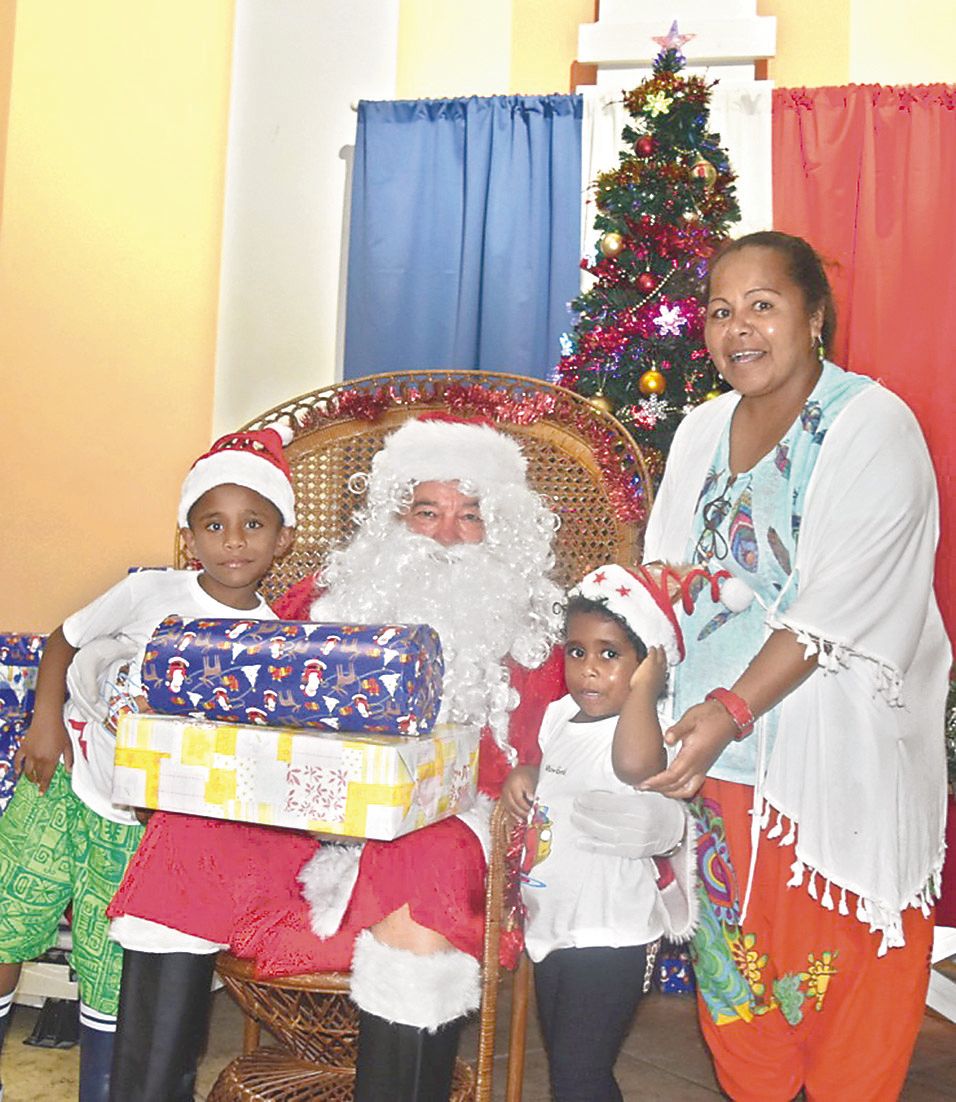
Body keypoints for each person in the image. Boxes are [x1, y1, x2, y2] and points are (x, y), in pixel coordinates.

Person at [108, 416, 686, 1102]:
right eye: (426, 511)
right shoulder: (325, 599)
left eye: (470, 515)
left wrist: (608, 801)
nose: (446, 535)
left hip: (452, 829)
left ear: (501, 529)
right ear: (393, 518)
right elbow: (242, 688)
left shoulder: (539, 637)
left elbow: (588, 752)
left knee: (428, 860)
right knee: (185, 835)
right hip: (298, 817)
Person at [637, 231, 951, 1100]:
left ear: (815, 316)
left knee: (844, 995)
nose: (738, 327)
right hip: (715, 773)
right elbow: (665, 582)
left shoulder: (870, 424)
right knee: (739, 999)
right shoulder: (701, 427)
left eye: (763, 305)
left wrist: (732, 706)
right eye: (719, 310)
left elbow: (837, 607)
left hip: (829, 782)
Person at [0, 424, 296, 1102]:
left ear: (282, 540)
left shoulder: (277, 641)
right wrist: (45, 724)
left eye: (253, 524)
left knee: (113, 969)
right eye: (214, 525)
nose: (234, 541)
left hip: (141, 828)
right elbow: (62, 642)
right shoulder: (150, 592)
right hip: (64, 784)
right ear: (189, 537)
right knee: (6, 924)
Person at [501, 562, 693, 1102]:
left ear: (646, 662)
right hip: (554, 925)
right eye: (577, 651)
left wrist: (645, 690)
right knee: (566, 1071)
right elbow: (564, 777)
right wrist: (529, 773)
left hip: (611, 933)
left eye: (611, 655)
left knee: (582, 1074)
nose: (589, 669)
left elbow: (632, 767)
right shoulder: (559, 716)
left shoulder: (646, 729)